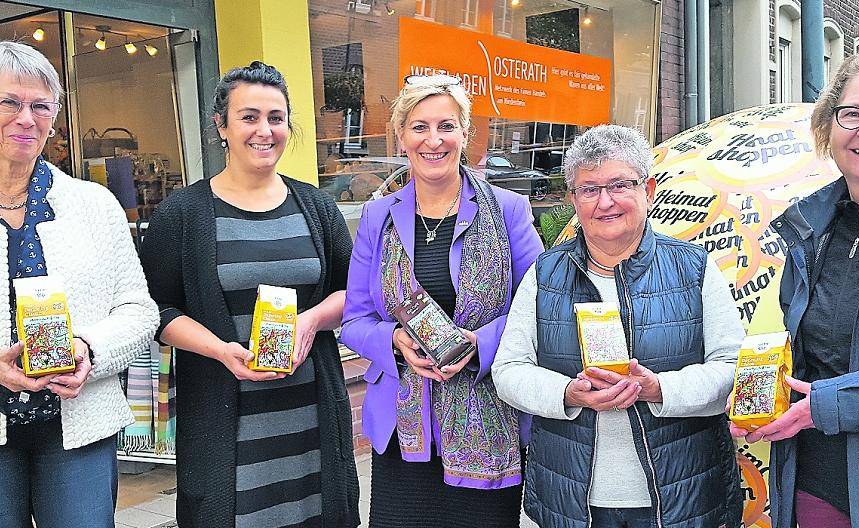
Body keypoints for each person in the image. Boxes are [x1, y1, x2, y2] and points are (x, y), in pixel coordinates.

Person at [139, 61, 359, 528]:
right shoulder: (184, 212)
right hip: (226, 426)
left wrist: (312, 319)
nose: (265, 130)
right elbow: (155, 310)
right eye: (249, 117)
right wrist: (219, 350)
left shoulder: (316, 205)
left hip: (311, 419)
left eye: (275, 118)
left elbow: (356, 291)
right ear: (221, 126)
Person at [492, 124, 744, 528]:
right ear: (573, 199)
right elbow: (508, 371)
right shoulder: (545, 275)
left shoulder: (694, 269)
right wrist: (568, 394)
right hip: (573, 500)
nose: (604, 202)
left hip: (682, 496)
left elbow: (732, 367)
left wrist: (661, 389)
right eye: (588, 189)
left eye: (619, 185)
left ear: (648, 189)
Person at [729, 53, 859, 528]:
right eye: (852, 114)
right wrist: (757, 395)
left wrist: (837, 403)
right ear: (830, 126)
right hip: (812, 489)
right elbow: (799, 358)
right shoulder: (809, 233)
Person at [341, 74, 544, 528]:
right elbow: (354, 320)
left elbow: (541, 305)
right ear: (401, 136)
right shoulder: (378, 216)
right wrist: (395, 340)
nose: (433, 140)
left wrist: (480, 343)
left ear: (465, 134)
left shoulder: (508, 209)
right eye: (419, 127)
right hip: (402, 429)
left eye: (446, 126)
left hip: (487, 424)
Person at [0, 41, 158, 526]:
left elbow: (139, 309)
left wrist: (91, 349)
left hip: (80, 419)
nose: (26, 118)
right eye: (9, 102)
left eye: (40, 106)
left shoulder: (95, 204)